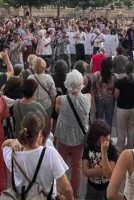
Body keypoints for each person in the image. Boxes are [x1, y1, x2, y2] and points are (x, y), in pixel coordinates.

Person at [1, 112, 74, 200]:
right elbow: (66, 188)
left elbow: (4, 145)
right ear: (40, 134)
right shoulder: (49, 153)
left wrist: (13, 141)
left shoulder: (12, 154)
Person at [54, 69, 91, 199]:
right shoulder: (88, 98)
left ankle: (60, 192)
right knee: (77, 165)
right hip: (80, 136)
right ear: (81, 83)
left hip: (63, 135)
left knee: (60, 164)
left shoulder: (60, 99)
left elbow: (59, 112)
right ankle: (74, 194)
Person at [82, 120, 118, 200]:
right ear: (95, 137)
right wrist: (101, 170)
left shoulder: (111, 150)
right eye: (104, 136)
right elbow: (85, 171)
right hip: (91, 187)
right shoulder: (88, 148)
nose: (108, 138)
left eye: (108, 135)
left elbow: (109, 174)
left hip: (107, 187)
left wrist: (104, 153)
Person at [114, 62, 134, 151]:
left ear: (124, 70)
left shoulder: (120, 82)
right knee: (132, 130)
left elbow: (116, 96)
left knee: (121, 130)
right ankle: (131, 148)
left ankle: (120, 149)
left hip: (122, 108)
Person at [92, 57, 119, 127]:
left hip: (99, 98)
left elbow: (93, 89)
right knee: (109, 119)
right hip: (110, 99)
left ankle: (98, 136)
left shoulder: (96, 75)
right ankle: (107, 136)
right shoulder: (115, 77)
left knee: (99, 119)